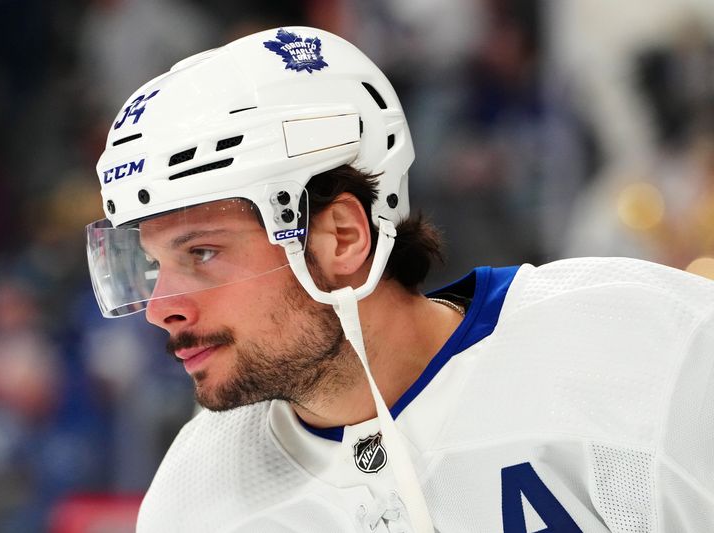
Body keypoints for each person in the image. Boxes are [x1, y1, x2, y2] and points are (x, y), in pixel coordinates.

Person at [84, 26, 714, 533]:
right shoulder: (197, 502)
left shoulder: (643, 346)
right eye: (154, 263)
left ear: (341, 239)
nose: (161, 308)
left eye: (201, 253)